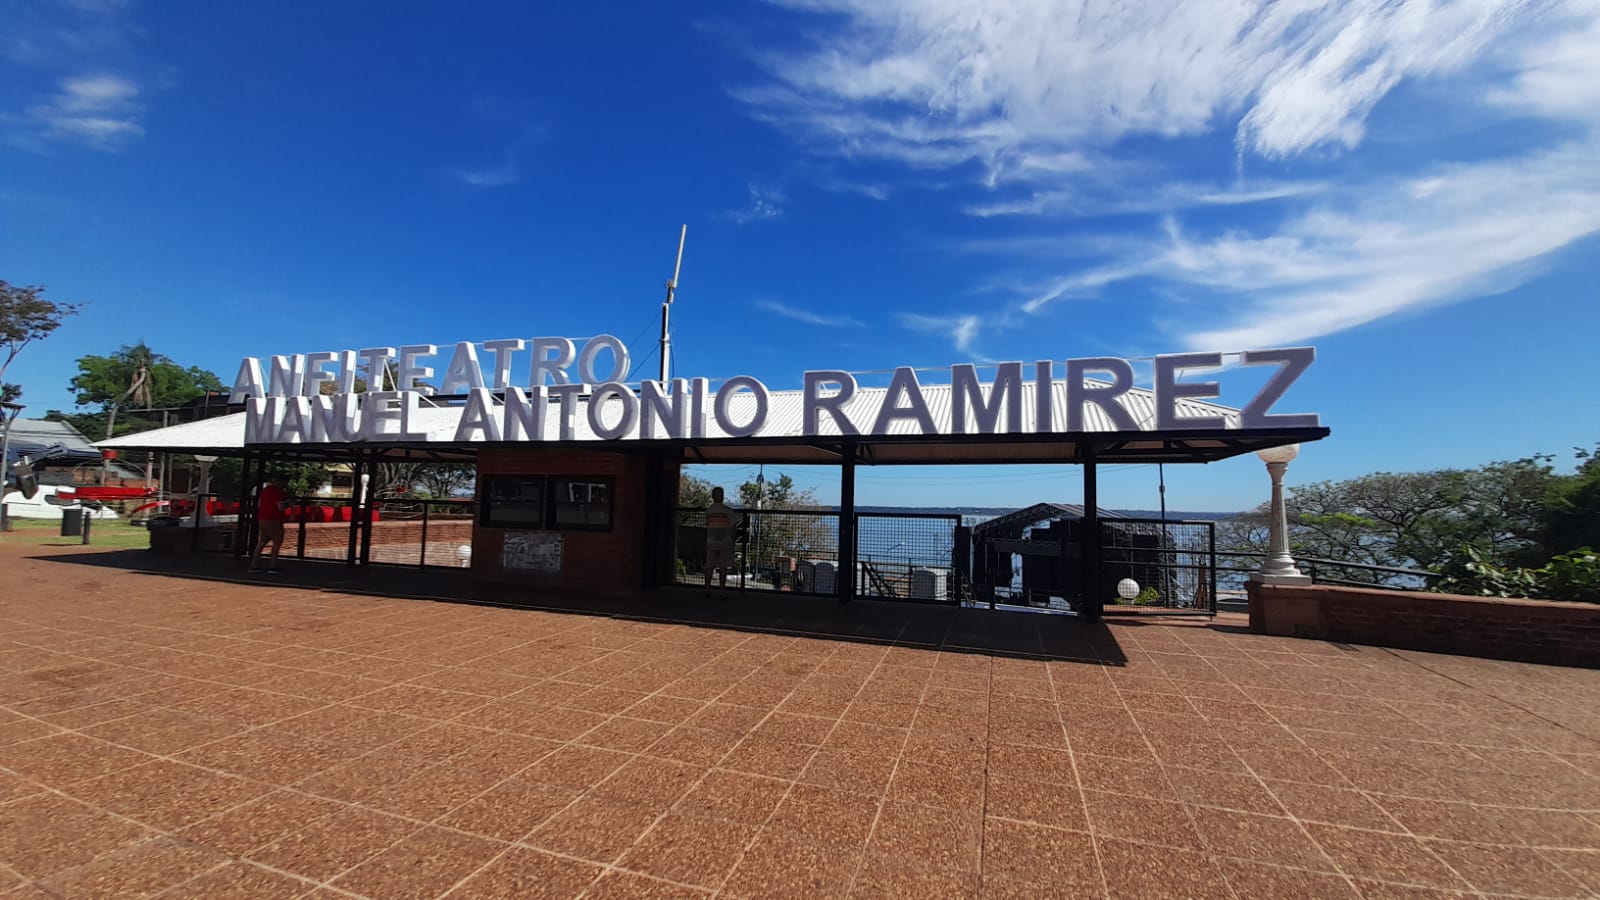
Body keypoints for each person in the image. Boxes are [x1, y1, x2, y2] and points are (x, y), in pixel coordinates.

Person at [249, 474, 288, 573]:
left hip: (262, 517)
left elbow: (259, 504)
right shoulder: (278, 492)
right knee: (277, 541)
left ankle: (254, 564)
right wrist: (288, 507)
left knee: (262, 541)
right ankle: (273, 565)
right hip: (274, 518)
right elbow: (280, 507)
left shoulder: (264, 491)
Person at [703, 486, 739, 589]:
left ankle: (707, 588)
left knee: (709, 567)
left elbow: (707, 526)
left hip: (711, 542)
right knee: (723, 567)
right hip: (725, 542)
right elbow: (733, 528)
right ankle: (722, 589)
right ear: (723, 496)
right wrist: (733, 541)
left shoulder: (708, 511)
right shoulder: (728, 511)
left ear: (712, 496)